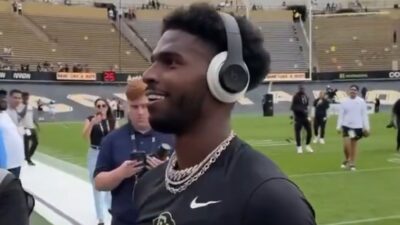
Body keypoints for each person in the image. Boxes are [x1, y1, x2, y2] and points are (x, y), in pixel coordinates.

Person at [134, 4, 316, 225]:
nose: (148, 74)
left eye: (171, 62)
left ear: (227, 78)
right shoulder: (148, 185)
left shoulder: (269, 200)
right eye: (153, 62)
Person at [94, 78, 174, 225]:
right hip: (124, 221)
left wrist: (166, 171)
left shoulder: (172, 136)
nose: (140, 112)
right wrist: (121, 173)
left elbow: (190, 180)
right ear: (126, 107)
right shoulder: (112, 140)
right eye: (135, 107)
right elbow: (99, 183)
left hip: (163, 219)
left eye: (144, 106)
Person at [82, 98, 117, 225]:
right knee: (96, 184)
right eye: (98, 106)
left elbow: (116, 137)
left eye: (103, 105)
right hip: (94, 153)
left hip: (108, 153)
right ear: (95, 108)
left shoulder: (112, 120)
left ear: (107, 107)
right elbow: (84, 136)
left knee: (110, 182)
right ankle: (100, 218)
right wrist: (93, 123)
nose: (101, 108)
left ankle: (110, 207)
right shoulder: (90, 119)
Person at [337, 84, 370, 171]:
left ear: (357, 92)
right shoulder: (344, 101)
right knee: (346, 146)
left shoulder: (361, 101)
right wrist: (338, 126)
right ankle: (348, 159)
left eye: (354, 90)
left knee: (353, 145)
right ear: (349, 91)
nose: (353, 91)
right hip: (346, 126)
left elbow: (364, 115)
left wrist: (366, 127)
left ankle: (352, 162)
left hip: (357, 127)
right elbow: (341, 115)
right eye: (351, 90)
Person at [0, 90, 24, 178]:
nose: (4, 99)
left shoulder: (4, 114)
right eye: (1, 97)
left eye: (4, 97)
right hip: (5, 166)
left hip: (15, 163)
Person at [291, 85, 314, 153]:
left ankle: (307, 145)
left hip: (305, 117)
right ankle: (299, 147)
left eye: (303, 89)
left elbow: (306, 106)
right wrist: (295, 115)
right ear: (299, 90)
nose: (302, 90)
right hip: (298, 117)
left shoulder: (305, 96)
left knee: (309, 131)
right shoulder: (296, 97)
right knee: (298, 132)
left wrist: (308, 115)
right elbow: (294, 107)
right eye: (301, 89)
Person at [20, 92, 39, 166]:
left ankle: (28, 156)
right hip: (25, 128)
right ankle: (28, 160)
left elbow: (31, 116)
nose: (27, 98)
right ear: (23, 97)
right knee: (26, 144)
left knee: (36, 142)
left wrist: (36, 124)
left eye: (27, 97)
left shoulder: (30, 106)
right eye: (25, 97)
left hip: (32, 127)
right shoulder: (20, 106)